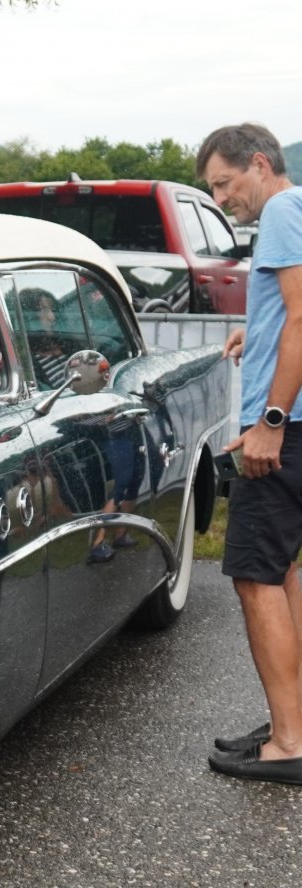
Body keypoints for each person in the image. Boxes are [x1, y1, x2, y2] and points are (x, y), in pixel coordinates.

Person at [197, 123, 302, 784]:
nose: (222, 199)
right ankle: (293, 723)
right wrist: (252, 332)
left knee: (255, 575)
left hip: (285, 429)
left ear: (259, 164)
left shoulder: (284, 211)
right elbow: (287, 312)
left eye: (224, 184)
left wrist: (271, 419)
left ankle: (289, 743)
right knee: (284, 569)